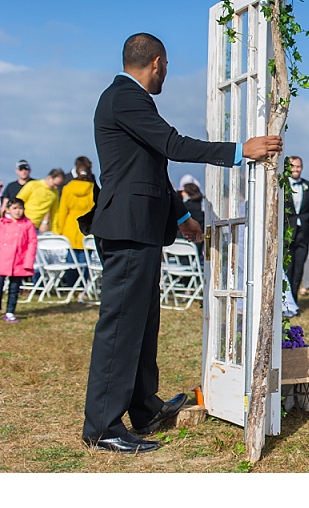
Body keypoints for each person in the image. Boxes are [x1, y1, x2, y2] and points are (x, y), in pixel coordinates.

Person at [82, 33, 282, 454]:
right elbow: (172, 145)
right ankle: (101, 425)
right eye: (167, 67)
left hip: (142, 225)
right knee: (120, 327)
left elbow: (153, 170)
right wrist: (239, 151)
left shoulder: (129, 100)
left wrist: (182, 216)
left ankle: (142, 406)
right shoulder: (125, 97)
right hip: (126, 226)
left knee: (142, 322)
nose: (166, 75)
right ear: (157, 62)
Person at [57, 158, 95, 285]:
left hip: (70, 227)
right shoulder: (92, 188)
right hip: (86, 227)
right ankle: (82, 285)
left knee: (71, 259)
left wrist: (59, 229)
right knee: (85, 260)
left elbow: (63, 211)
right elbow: (94, 210)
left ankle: (70, 285)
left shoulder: (67, 188)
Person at [283, 156, 309, 299]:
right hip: (286, 233)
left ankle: (295, 300)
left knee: (299, 268)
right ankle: (285, 300)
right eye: (293, 166)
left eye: (298, 166)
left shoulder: (308, 186)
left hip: (303, 233)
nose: (296, 169)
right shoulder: (282, 184)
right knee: (287, 268)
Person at [0, 198, 37, 323]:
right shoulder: (2, 223)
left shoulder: (28, 224)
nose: (17, 211)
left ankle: (10, 311)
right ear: (8, 209)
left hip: (19, 262)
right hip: (2, 261)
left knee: (14, 289)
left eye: (20, 208)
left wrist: (28, 262)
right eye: (14, 208)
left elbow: (32, 243)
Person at [17, 168, 64, 232]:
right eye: (55, 184)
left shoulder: (55, 193)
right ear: (49, 178)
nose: (56, 187)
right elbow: (17, 202)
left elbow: (54, 212)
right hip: (22, 223)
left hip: (36, 227)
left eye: (58, 185)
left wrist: (55, 231)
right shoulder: (33, 185)